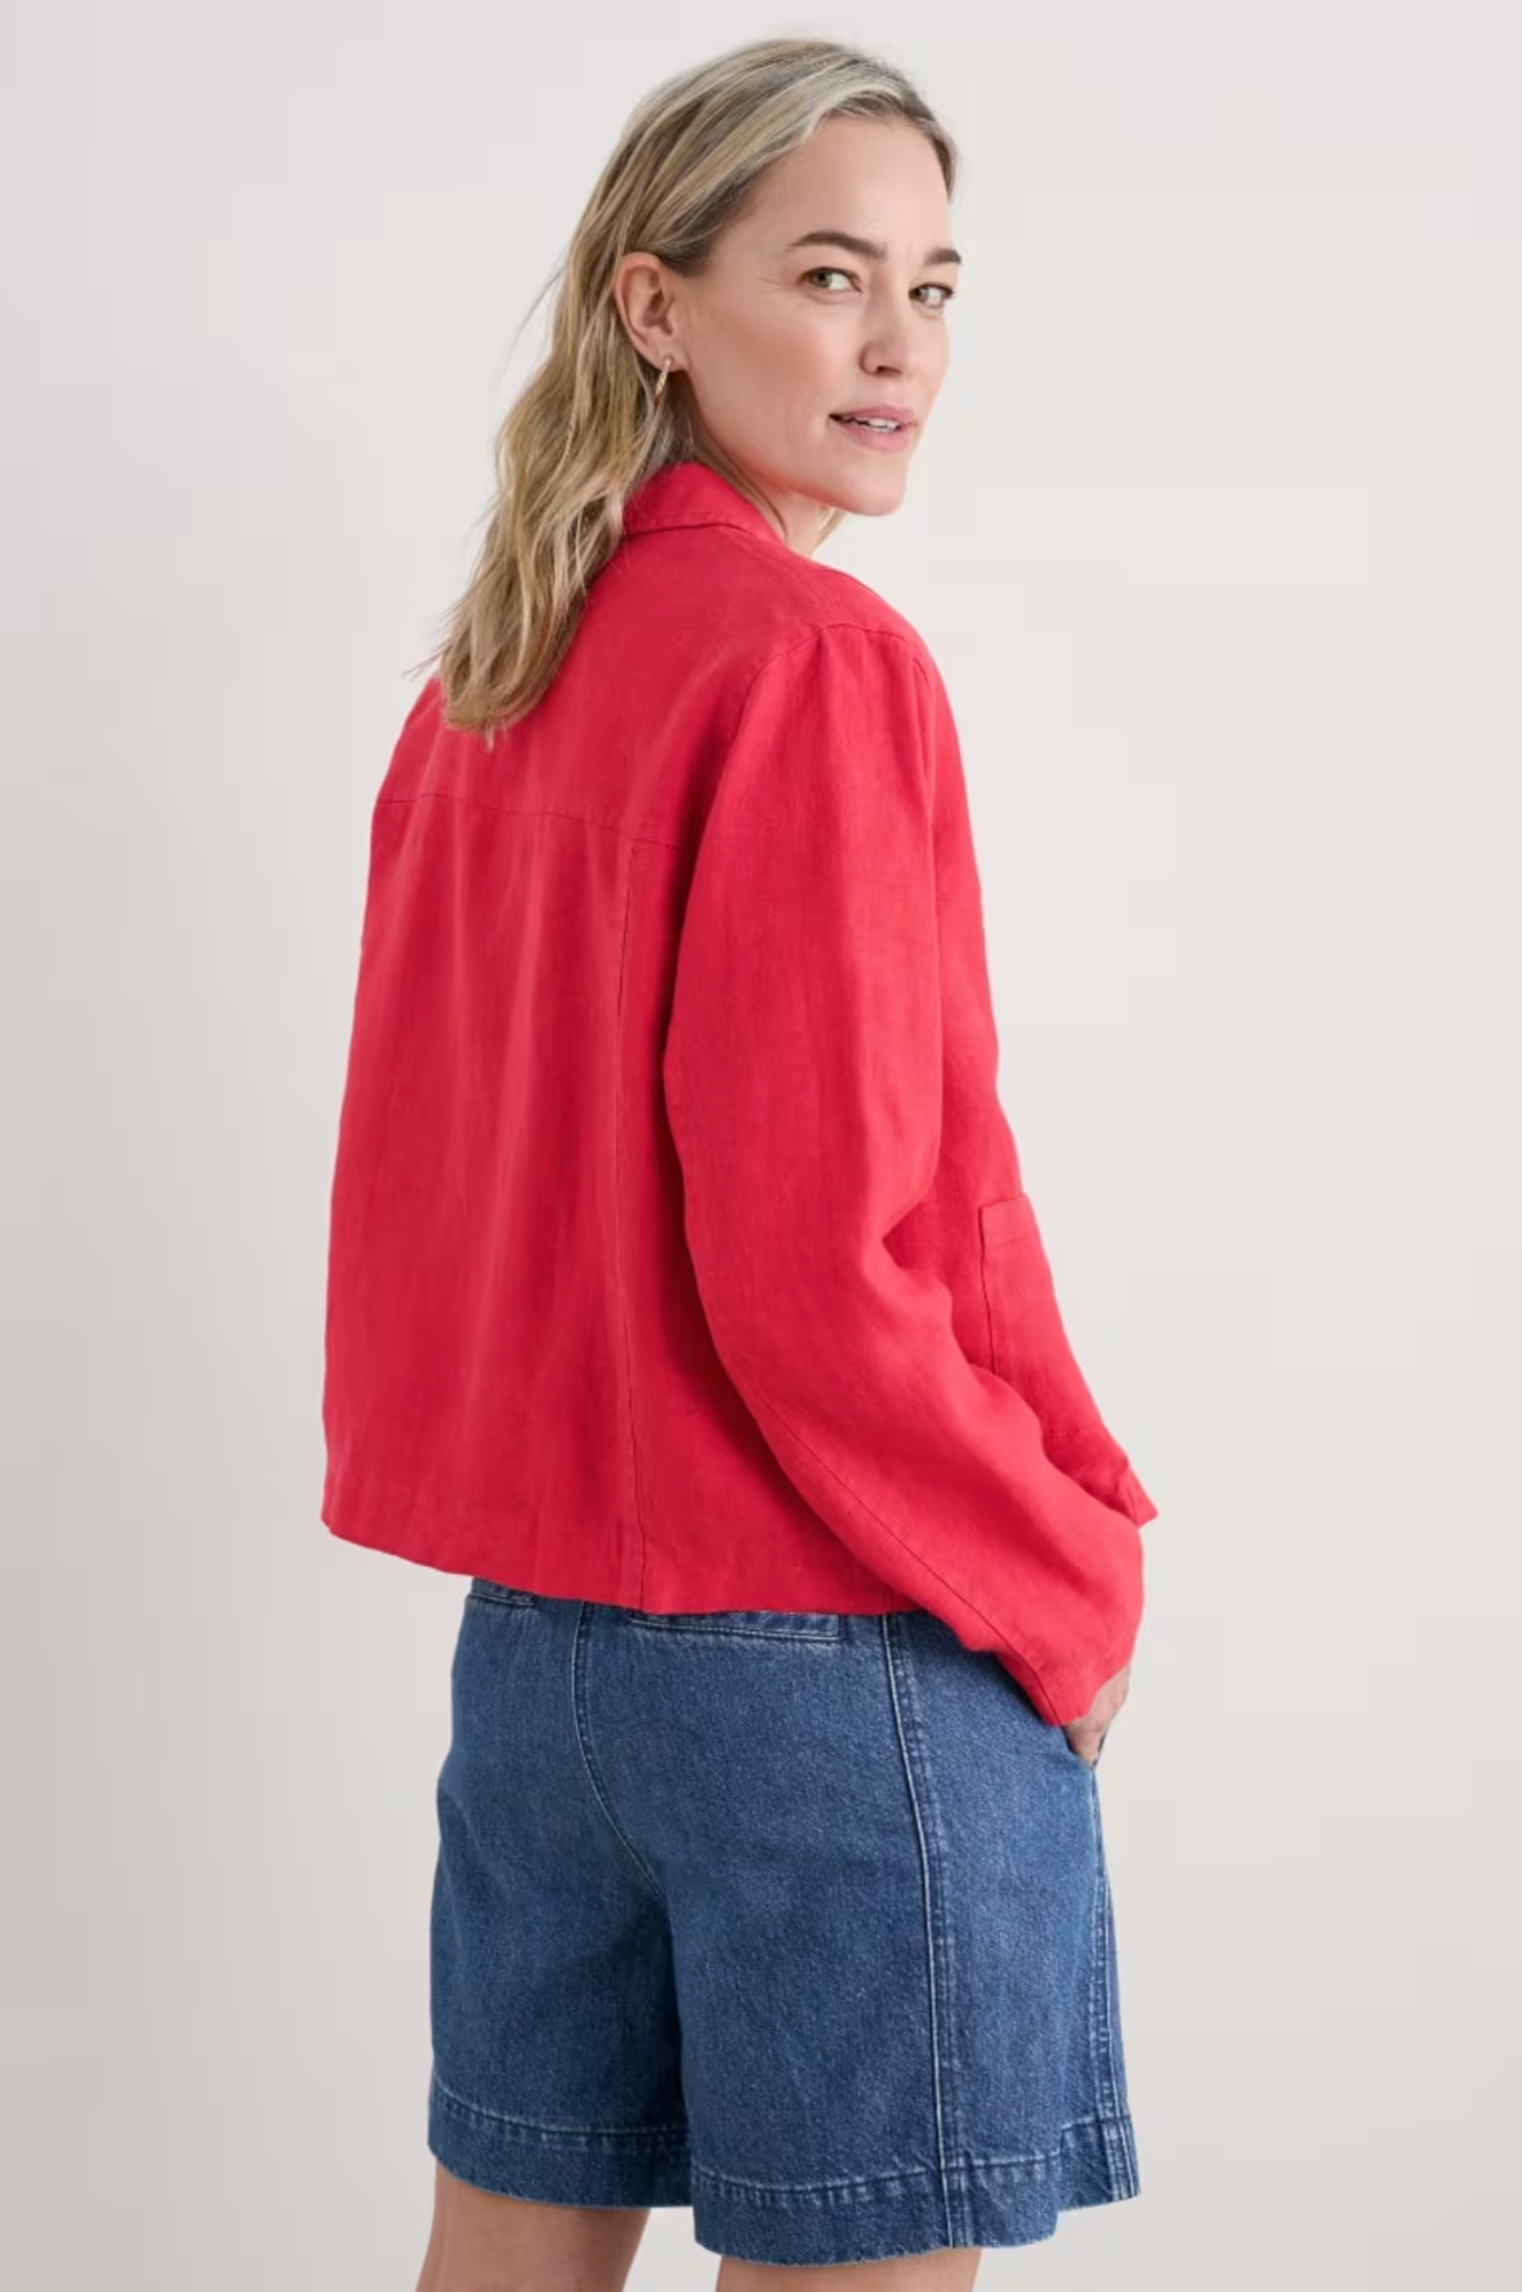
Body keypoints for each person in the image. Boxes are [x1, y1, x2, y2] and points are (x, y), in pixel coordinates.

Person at [320, 34, 1159, 2292]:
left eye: (933, 285)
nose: (898, 344)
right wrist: (1060, 1574)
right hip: (826, 1653)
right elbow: (825, 1251)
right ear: (655, 304)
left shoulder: (489, 680)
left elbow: (427, 1220)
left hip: (542, 1671)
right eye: (827, 273)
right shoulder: (815, 662)